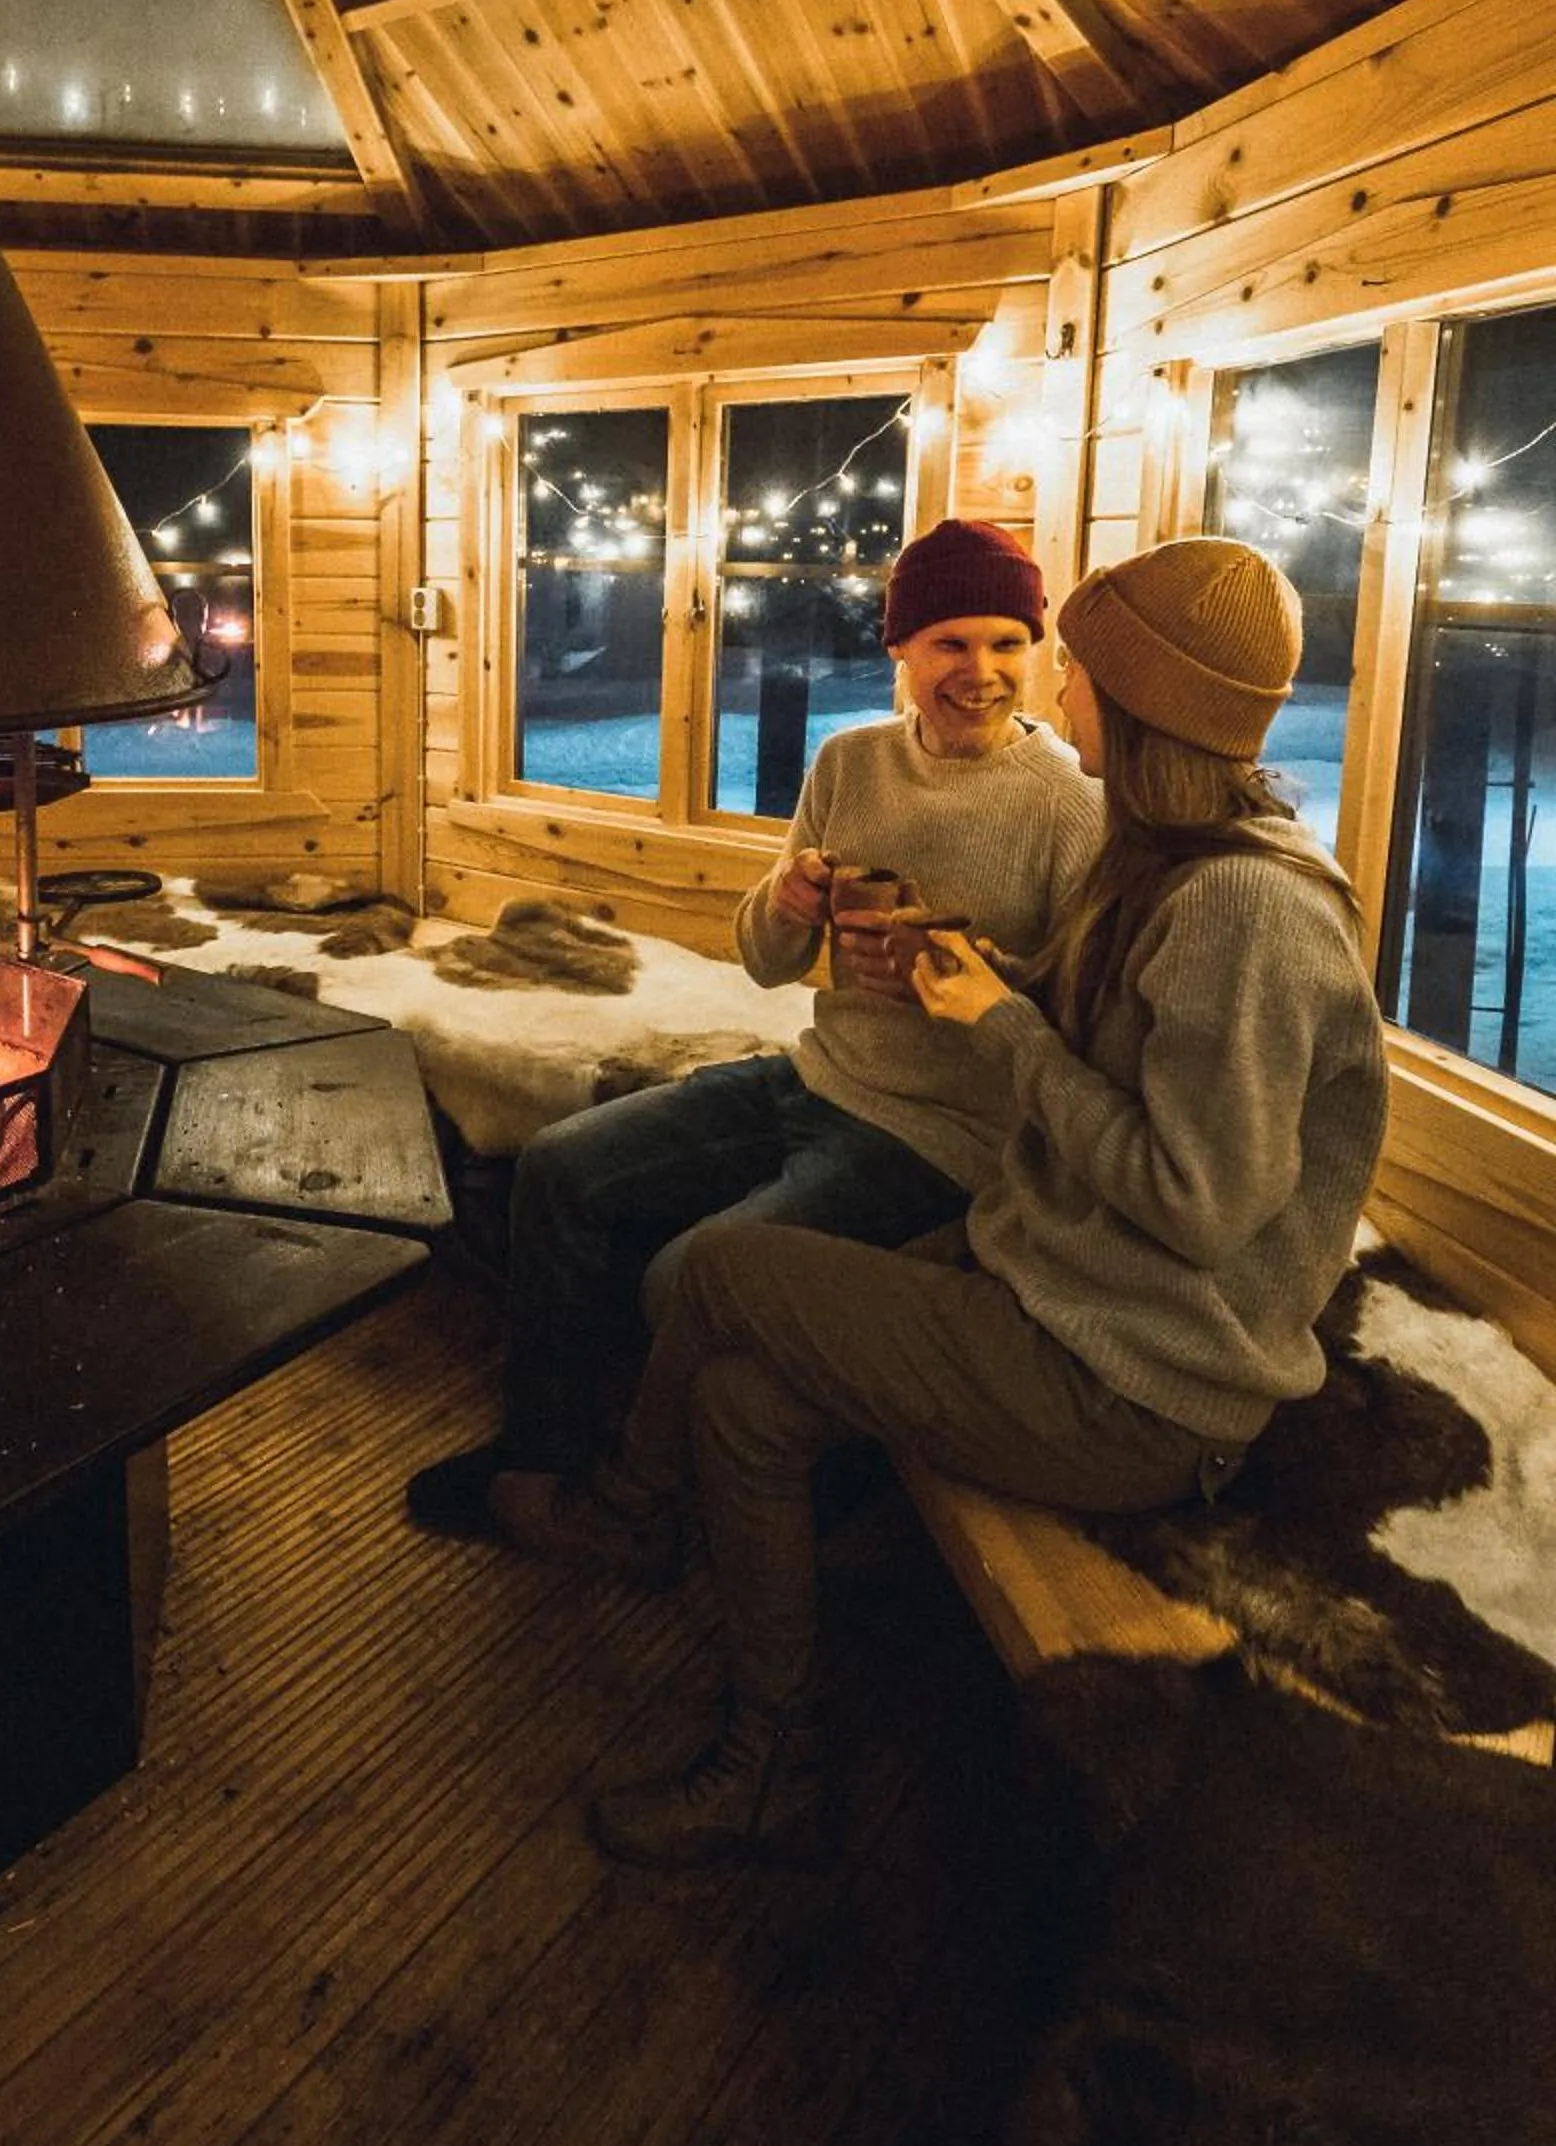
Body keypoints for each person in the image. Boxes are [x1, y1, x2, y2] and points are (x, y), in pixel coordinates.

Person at [558, 535, 1390, 1869]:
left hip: (1136, 1379)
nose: (1039, 689)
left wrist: (996, 1019)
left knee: (714, 1275)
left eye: (1062, 665)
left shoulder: (1244, 908)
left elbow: (1203, 1206)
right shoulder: (1165, 859)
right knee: (739, 1401)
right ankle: (772, 1753)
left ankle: (626, 1514)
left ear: (1140, 703)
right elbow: (1094, 1042)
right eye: (992, 647)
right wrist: (981, 966)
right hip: (1055, 1281)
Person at [404, 517, 1104, 1551]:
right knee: (557, 1166)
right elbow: (766, 962)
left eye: (1007, 642)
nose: (982, 671)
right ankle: (543, 1454)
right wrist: (789, 898)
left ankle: (649, 1500)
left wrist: (974, 977)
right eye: (951, 643)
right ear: (900, 648)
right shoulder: (848, 761)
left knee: (684, 1273)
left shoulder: (1066, 808)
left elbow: (1081, 1026)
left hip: (939, 1138)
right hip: (812, 1078)